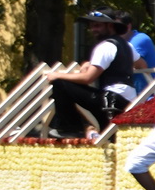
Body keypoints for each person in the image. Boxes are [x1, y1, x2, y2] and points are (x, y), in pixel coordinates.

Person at [45, 8, 137, 137]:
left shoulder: (104, 47)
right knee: (110, 138)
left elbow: (88, 78)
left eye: (97, 25)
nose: (93, 30)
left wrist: (57, 75)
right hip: (128, 99)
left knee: (61, 84)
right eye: (92, 26)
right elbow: (141, 64)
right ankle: (83, 127)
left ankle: (70, 128)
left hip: (110, 101)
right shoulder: (127, 46)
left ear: (110, 25)